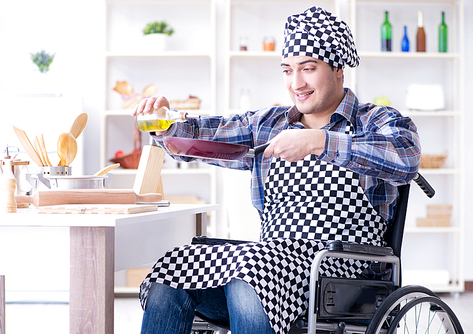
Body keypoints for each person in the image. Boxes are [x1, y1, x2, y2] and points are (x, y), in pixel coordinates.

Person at [133, 6, 420, 334]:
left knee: (250, 273)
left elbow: (405, 157)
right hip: (271, 266)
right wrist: (167, 124)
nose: (296, 83)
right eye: (287, 70)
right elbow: (206, 135)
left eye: (308, 68)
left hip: (344, 276)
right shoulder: (268, 125)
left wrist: (319, 142)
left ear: (338, 68)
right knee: (176, 269)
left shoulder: (377, 122)